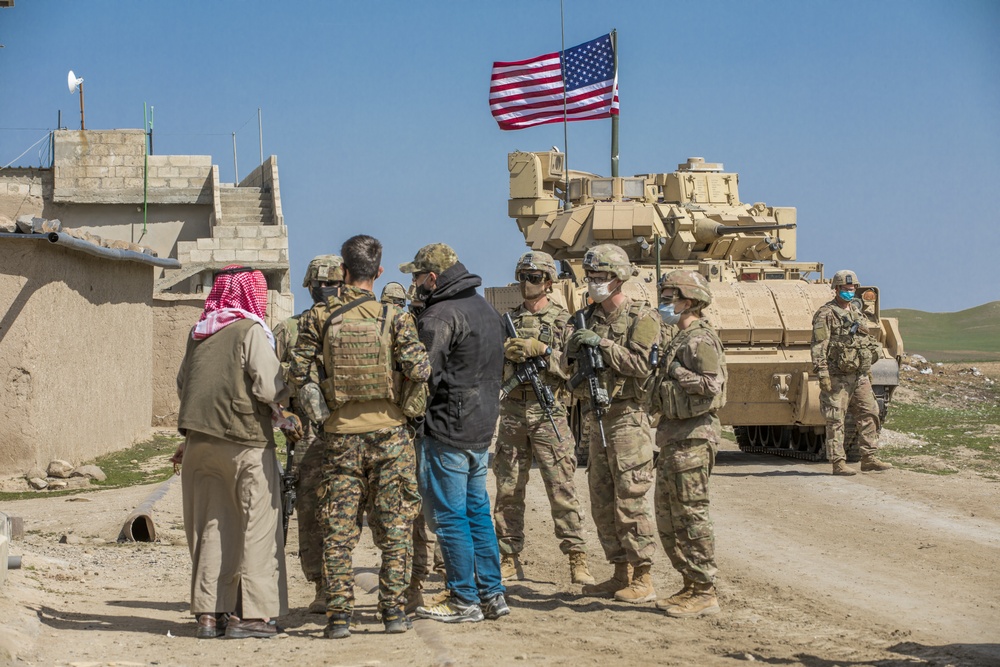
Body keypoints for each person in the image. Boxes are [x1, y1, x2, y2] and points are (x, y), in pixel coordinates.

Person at [288, 235, 430, 639]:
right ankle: (393, 613)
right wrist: (406, 410)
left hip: (339, 438)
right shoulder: (395, 317)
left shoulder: (318, 318)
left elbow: (297, 373)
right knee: (397, 528)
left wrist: (321, 404)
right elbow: (420, 370)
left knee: (338, 530)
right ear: (379, 272)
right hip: (390, 436)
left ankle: (338, 617)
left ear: (343, 272)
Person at [172, 265, 300, 640]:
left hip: (198, 444)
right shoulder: (250, 331)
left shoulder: (198, 333)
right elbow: (270, 386)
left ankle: (210, 615)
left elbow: (185, 386)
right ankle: (255, 618)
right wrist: (287, 408)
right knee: (257, 529)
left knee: (211, 527)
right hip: (245, 444)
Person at [399, 243, 508, 623]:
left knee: (449, 516)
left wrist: (405, 417)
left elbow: (422, 375)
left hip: (447, 428)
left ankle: (463, 599)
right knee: (477, 511)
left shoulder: (440, 316)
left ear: (432, 277)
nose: (412, 283)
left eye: (416, 276)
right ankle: (492, 594)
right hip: (480, 428)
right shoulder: (486, 309)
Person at [561, 244, 660, 604]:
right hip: (596, 417)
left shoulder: (641, 318)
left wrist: (600, 344)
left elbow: (640, 365)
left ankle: (643, 576)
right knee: (601, 498)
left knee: (631, 498)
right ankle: (620, 572)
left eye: (601, 278)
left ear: (619, 279)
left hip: (628, 417)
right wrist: (569, 352)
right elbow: (563, 368)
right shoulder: (583, 317)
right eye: (591, 277)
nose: (594, 283)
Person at [494, 251, 594, 585]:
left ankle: (577, 558)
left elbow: (573, 370)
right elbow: (490, 369)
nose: (527, 283)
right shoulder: (505, 321)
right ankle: (508, 556)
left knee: (561, 485)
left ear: (548, 282)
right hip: (512, 411)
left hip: (548, 410)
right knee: (508, 487)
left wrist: (545, 352)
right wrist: (505, 355)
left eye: (534, 277)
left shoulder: (564, 321)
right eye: (522, 276)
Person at [651, 270, 726, 618]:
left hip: (695, 437)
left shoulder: (700, 340)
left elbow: (713, 386)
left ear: (690, 301)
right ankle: (690, 583)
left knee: (692, 515)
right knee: (668, 517)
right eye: (664, 296)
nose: (665, 303)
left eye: (671, 297)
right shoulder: (677, 338)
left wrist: (677, 373)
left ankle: (706, 590)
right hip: (672, 436)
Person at [273, 254, 344, 614]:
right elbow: (269, 385)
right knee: (314, 512)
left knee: (342, 511)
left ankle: (338, 585)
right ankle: (324, 586)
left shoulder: (352, 325)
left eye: (328, 285)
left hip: (347, 432)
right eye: (319, 285)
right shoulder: (288, 330)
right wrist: (284, 414)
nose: (323, 291)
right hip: (313, 436)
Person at [811, 270, 893, 475]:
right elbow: (819, 345)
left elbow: (864, 339)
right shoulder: (826, 314)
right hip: (837, 375)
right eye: (846, 289)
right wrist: (822, 373)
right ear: (836, 289)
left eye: (852, 288)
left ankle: (869, 457)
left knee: (870, 413)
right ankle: (838, 463)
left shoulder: (857, 313)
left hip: (859, 375)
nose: (850, 292)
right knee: (836, 419)